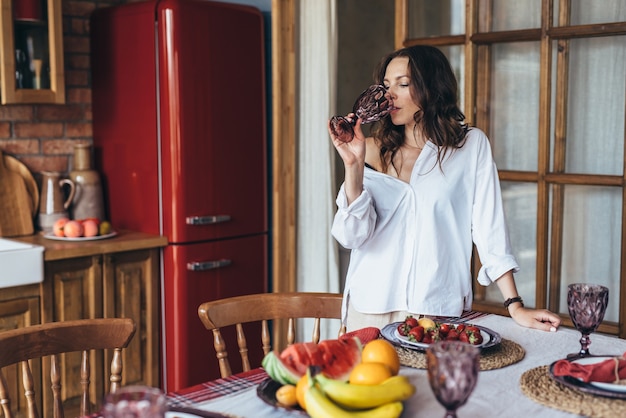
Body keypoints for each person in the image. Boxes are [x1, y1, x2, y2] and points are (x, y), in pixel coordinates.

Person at [328, 45, 561, 333]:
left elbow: (489, 229)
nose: (390, 96)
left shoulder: (469, 146)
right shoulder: (370, 150)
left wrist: (515, 305)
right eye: (386, 86)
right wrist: (353, 165)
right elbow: (350, 236)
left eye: (403, 84)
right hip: (370, 309)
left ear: (432, 87)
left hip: (436, 310)